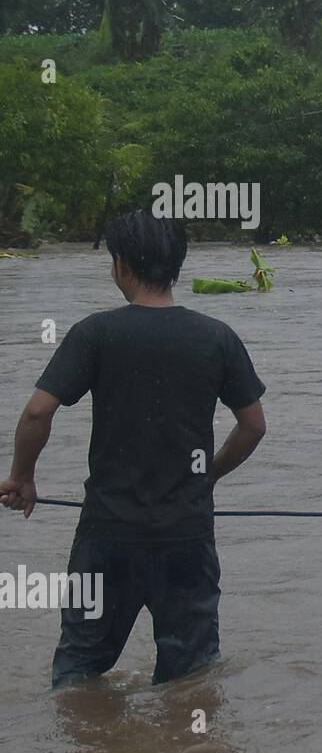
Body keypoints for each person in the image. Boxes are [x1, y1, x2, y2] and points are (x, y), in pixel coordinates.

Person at [0, 210, 267, 687]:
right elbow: (252, 426)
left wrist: (22, 477)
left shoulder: (96, 333)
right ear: (177, 265)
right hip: (186, 534)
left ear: (122, 265)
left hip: (107, 533)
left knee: (79, 670)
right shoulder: (217, 338)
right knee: (191, 679)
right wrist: (208, 475)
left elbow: (38, 412)